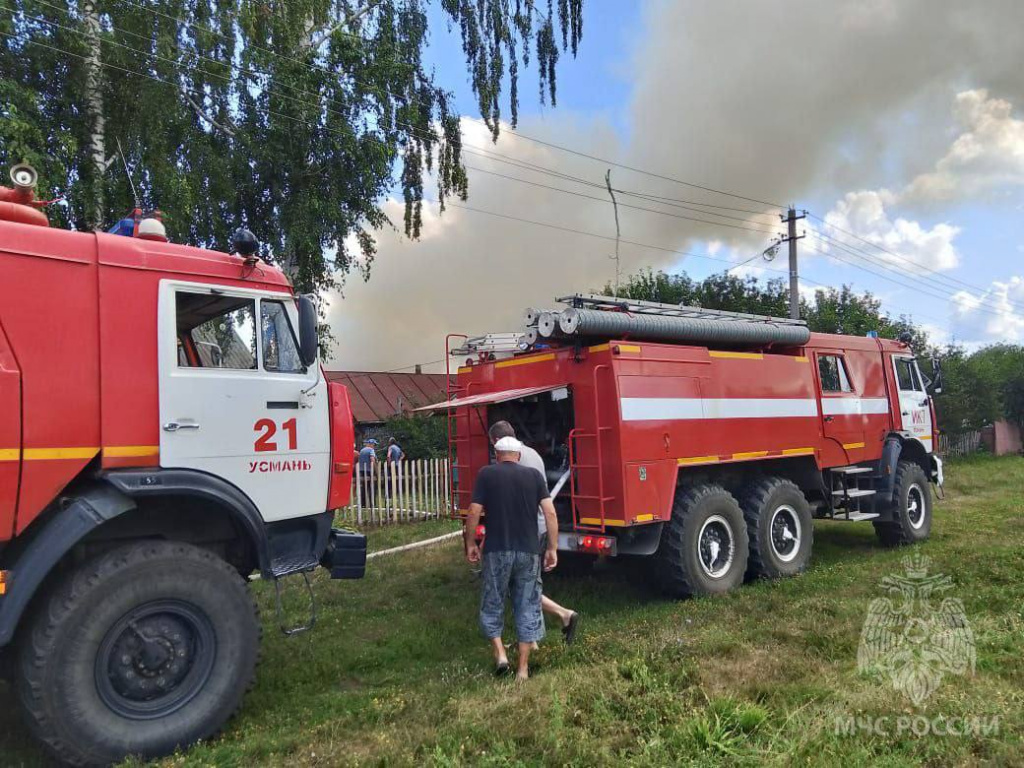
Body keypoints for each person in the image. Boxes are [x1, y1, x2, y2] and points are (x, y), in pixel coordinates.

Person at [465, 437, 558, 681]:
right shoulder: (534, 476)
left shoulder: (486, 474)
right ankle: (523, 670)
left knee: (492, 601)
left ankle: (500, 653)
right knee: (527, 603)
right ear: (518, 455)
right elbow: (550, 512)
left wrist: (471, 543)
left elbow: (474, 510)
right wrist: (552, 547)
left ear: (497, 455)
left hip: (496, 550)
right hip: (528, 550)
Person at [488, 421, 580, 644]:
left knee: (521, 586)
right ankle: (535, 637)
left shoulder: (508, 462)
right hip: (537, 528)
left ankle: (561, 616)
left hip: (522, 530)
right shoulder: (533, 455)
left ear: (497, 442)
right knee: (525, 584)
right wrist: (551, 545)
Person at [358, 438, 377, 505]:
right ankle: (373, 504)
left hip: (361, 471)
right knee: (372, 487)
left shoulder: (362, 450)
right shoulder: (371, 450)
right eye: (374, 445)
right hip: (369, 471)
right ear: (371, 444)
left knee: (364, 487)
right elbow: (372, 460)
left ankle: (363, 504)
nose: (374, 446)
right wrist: (375, 470)